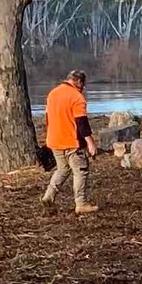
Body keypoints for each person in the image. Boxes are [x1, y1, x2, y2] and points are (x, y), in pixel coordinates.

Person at [41, 69, 99, 215]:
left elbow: (48, 119)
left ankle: (49, 196)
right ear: (78, 82)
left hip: (54, 140)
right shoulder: (77, 97)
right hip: (71, 142)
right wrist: (90, 143)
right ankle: (81, 203)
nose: (83, 88)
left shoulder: (52, 93)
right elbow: (82, 124)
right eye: (83, 84)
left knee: (63, 169)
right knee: (81, 171)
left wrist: (48, 137)